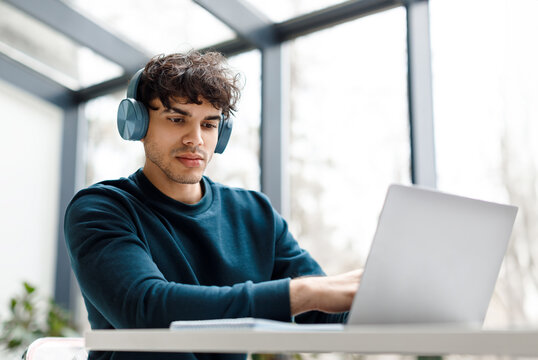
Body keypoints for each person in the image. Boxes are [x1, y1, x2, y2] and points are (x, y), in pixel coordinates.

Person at [64, 51, 362, 360]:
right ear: (137, 124)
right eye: (177, 119)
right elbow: (148, 309)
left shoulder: (254, 213)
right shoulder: (100, 209)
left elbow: (322, 318)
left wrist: (380, 296)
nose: (196, 139)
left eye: (209, 124)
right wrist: (303, 293)